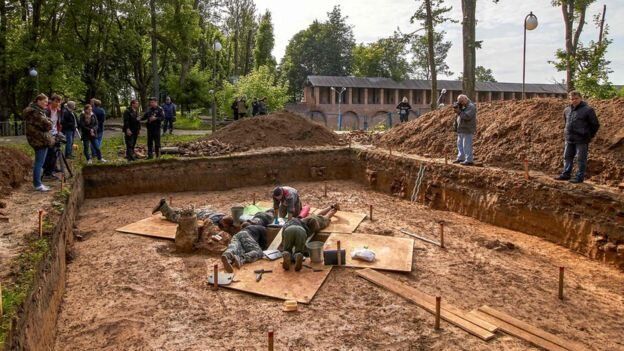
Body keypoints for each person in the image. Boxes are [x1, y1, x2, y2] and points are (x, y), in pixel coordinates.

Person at [554, 91, 600, 184]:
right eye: (571, 99)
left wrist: (589, 135)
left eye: (576, 98)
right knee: (567, 157)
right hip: (569, 138)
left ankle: (579, 177)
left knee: (580, 158)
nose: (574, 101)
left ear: (580, 98)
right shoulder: (567, 110)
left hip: (582, 139)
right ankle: (566, 174)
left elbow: (595, 125)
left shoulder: (588, 110)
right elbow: (566, 122)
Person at [152, 198, 239, 235]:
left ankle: (165, 205)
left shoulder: (223, 215)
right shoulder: (214, 220)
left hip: (201, 211)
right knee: (178, 219)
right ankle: (163, 207)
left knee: (181, 211)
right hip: (197, 215)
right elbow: (208, 229)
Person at [23, 94, 55, 192]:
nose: (46, 103)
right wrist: (49, 122)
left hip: (39, 139)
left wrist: (48, 121)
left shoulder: (36, 111)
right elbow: (47, 125)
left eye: (47, 101)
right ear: (38, 101)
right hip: (39, 140)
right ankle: (37, 184)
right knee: (39, 163)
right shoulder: (35, 112)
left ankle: (38, 183)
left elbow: (47, 123)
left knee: (39, 162)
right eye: (44, 101)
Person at [42, 94, 63, 180]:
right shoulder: (47, 111)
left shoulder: (58, 111)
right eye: (56, 101)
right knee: (50, 154)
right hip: (48, 134)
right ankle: (47, 173)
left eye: (59, 102)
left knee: (55, 153)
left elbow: (57, 123)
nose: (58, 103)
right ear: (52, 101)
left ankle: (53, 168)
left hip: (55, 133)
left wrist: (58, 132)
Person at [453, 94, 477, 166]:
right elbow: (459, 117)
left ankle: (469, 160)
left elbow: (467, 117)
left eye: (461, 101)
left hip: (467, 129)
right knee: (460, 145)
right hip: (461, 129)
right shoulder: (464, 106)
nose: (460, 103)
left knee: (466, 145)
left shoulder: (471, 106)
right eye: (459, 101)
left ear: (466, 99)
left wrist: (459, 112)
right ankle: (461, 158)